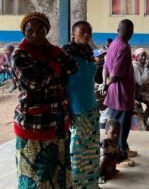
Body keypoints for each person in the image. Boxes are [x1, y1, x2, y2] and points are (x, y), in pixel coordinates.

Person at [12, 12, 78, 188]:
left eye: (40, 30)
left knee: (60, 176)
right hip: (34, 125)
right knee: (36, 178)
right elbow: (35, 83)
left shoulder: (53, 51)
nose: (35, 34)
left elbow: (73, 67)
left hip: (58, 123)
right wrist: (55, 66)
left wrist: (50, 66)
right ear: (23, 32)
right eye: (30, 30)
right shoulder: (20, 55)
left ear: (46, 31)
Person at [62, 21, 99, 189]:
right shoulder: (66, 55)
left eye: (89, 32)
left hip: (91, 107)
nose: (86, 35)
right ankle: (77, 186)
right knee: (77, 152)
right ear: (73, 33)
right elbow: (61, 83)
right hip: (76, 110)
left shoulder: (89, 53)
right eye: (82, 31)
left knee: (92, 150)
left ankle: (91, 185)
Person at [103, 19, 137, 168]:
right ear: (130, 32)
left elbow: (105, 67)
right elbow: (116, 74)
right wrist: (109, 82)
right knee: (122, 124)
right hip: (122, 92)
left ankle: (122, 148)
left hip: (114, 91)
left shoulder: (113, 44)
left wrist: (105, 83)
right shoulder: (124, 47)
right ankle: (119, 154)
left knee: (115, 121)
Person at [99, 119, 126, 184]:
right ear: (106, 132)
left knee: (117, 155)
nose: (115, 135)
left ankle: (113, 170)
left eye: (118, 133)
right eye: (113, 133)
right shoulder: (105, 142)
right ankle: (100, 176)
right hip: (101, 164)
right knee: (104, 158)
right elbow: (102, 154)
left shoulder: (115, 141)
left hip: (110, 163)